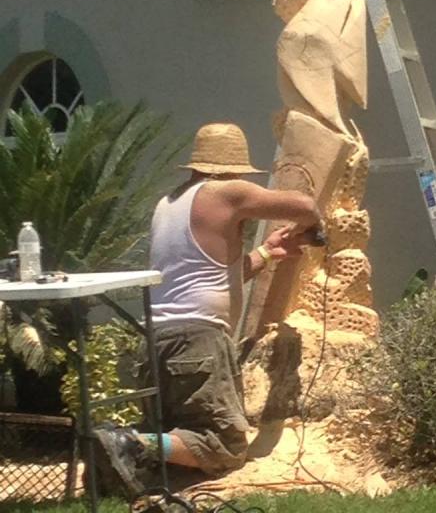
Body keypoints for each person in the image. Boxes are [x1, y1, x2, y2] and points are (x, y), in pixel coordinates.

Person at [92, 122, 322, 493]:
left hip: (157, 339)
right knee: (223, 445)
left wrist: (267, 252)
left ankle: (121, 452)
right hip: (197, 341)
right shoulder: (225, 191)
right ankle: (129, 443)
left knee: (177, 438)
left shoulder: (170, 203)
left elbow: (212, 276)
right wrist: (312, 227)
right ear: (231, 170)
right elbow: (305, 206)